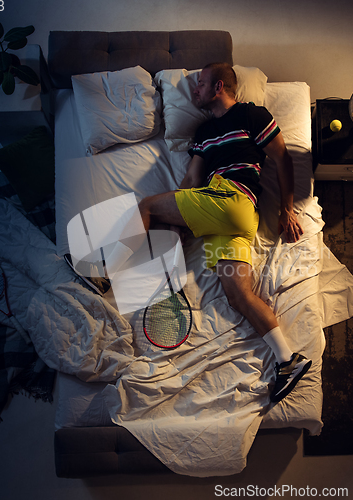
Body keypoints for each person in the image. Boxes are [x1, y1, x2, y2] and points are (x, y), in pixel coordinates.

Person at [66, 62, 311, 403]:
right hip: (233, 220)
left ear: (219, 87)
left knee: (147, 205)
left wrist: (286, 209)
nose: (194, 89)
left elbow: (282, 157)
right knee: (238, 295)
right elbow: (191, 182)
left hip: (232, 200)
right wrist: (179, 217)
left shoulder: (253, 116)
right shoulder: (204, 134)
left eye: (200, 83)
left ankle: (105, 273)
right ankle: (287, 360)